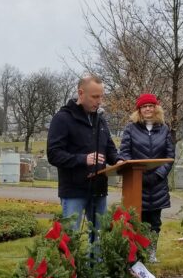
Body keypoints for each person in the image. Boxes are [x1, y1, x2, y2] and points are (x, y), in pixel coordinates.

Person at [46, 74, 120, 231]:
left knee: (99, 239)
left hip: (99, 189)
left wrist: (118, 161)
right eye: (95, 96)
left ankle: (97, 257)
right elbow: (53, 154)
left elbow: (109, 147)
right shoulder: (62, 119)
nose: (99, 101)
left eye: (101, 96)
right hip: (73, 190)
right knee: (70, 239)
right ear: (81, 93)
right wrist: (83, 159)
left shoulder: (100, 119)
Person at [117, 93, 175, 262]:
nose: (148, 109)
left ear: (156, 108)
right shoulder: (131, 128)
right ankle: (136, 253)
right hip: (136, 183)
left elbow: (170, 155)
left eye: (151, 106)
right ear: (139, 110)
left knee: (154, 221)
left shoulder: (164, 129)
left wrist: (159, 174)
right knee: (136, 220)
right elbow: (125, 152)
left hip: (157, 184)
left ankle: (151, 252)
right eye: (144, 106)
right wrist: (134, 172)